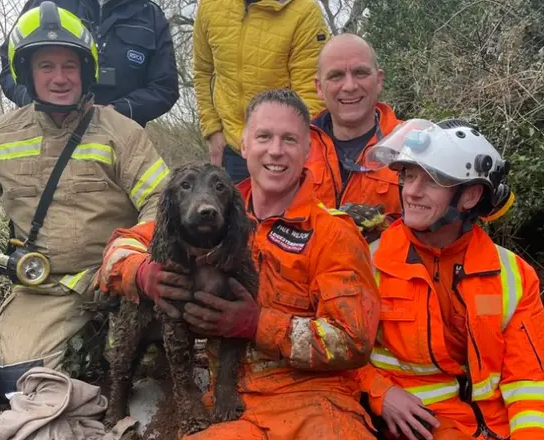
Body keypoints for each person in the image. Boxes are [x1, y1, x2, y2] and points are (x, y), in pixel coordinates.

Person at [98, 88, 381, 439]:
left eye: (289, 139)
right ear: (244, 146)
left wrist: (258, 325)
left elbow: (353, 341)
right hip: (227, 405)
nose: (275, 150)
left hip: (312, 402)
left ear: (308, 150)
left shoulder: (333, 233)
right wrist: (141, 273)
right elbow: (118, 247)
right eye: (264, 137)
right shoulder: (211, 210)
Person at [0, 1, 169, 395]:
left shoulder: (123, 133)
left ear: (87, 71)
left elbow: (162, 200)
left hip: (116, 284)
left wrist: (130, 257)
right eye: (46, 66)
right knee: (16, 380)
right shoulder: (0, 135)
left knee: (142, 370)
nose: (60, 78)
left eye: (70, 66)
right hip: (43, 286)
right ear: (27, 73)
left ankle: (104, 357)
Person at [354, 119, 544, 440]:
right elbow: (336, 356)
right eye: (408, 176)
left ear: (470, 196)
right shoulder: (368, 263)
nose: (411, 191)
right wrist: (379, 391)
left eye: (431, 180)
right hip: (413, 428)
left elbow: (533, 383)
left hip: (494, 429)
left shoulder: (514, 275)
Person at [193, 0, 331, 183]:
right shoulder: (210, 5)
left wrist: (287, 145)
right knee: (237, 212)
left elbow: (310, 93)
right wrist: (212, 130)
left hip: (281, 151)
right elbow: (202, 72)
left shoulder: (304, 11)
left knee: (285, 212)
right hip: (232, 148)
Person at [0, 0, 179, 128]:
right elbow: (10, 67)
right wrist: (35, 103)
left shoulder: (149, 14)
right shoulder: (45, 4)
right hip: (48, 136)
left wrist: (116, 112)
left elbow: (165, 88)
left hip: (120, 142)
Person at [306, 33, 403, 239]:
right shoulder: (293, 148)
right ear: (319, 88)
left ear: (379, 80)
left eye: (360, 73)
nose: (349, 86)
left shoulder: (412, 142)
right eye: (336, 76)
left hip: (385, 268)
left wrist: (390, 229)